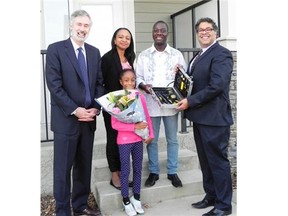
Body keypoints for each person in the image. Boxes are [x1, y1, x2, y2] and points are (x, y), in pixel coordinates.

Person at [45, 9, 104, 216]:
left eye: (86, 25)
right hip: (66, 120)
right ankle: (62, 210)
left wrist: (95, 107)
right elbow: (54, 85)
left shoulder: (94, 52)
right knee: (63, 169)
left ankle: (80, 206)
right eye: (79, 24)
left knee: (83, 166)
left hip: (88, 120)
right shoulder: (56, 49)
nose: (82, 29)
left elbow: (99, 83)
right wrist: (75, 110)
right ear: (71, 25)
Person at [177, 17, 234, 216]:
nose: (204, 32)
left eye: (208, 29)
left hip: (215, 119)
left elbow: (216, 86)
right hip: (201, 118)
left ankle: (224, 205)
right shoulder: (200, 55)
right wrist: (181, 76)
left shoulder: (222, 54)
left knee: (217, 162)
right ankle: (211, 196)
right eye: (200, 30)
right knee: (206, 161)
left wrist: (190, 101)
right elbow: (196, 81)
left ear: (215, 32)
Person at [136, 20, 186, 188]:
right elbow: (138, 78)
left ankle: (172, 172)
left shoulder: (176, 55)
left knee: (172, 140)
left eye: (162, 30)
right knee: (152, 140)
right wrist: (143, 86)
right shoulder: (143, 55)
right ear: (152, 33)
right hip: (151, 104)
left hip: (171, 105)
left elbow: (183, 78)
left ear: (167, 33)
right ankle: (154, 171)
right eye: (156, 30)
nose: (159, 33)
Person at [111, 68, 154, 216]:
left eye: (133, 80)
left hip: (138, 139)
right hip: (124, 141)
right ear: (121, 83)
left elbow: (147, 117)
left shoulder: (140, 96)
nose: (130, 82)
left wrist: (151, 134)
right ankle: (125, 200)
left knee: (138, 169)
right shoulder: (118, 100)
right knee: (125, 170)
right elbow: (115, 125)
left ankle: (136, 197)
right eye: (127, 80)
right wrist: (134, 126)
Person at [101, 28, 136, 189]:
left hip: (128, 105)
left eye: (127, 38)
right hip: (113, 106)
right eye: (120, 37)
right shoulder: (107, 58)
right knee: (113, 138)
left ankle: (123, 171)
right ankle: (114, 174)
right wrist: (109, 104)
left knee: (123, 138)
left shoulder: (130, 57)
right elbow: (101, 82)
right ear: (114, 40)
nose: (124, 40)